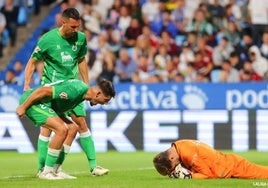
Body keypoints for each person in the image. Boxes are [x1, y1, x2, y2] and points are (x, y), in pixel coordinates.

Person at [22, 7, 108, 177]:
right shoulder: (47, 39)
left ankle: (88, 167)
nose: (77, 31)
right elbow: (32, 62)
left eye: (78, 27)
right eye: (73, 27)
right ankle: (42, 169)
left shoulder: (81, 39)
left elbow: (81, 60)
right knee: (49, 129)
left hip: (73, 89)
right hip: (52, 87)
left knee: (80, 125)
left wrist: (86, 84)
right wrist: (26, 85)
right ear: (63, 22)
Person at [16, 78, 116, 180]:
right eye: (105, 100)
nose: (104, 104)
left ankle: (56, 169)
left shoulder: (82, 94)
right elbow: (43, 91)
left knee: (72, 128)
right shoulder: (75, 90)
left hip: (47, 105)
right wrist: (23, 107)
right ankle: (46, 172)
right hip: (33, 102)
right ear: (98, 94)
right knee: (61, 129)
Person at [153, 139, 268, 179]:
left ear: (171, 158)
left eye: (173, 167)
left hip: (233, 167)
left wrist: (189, 176)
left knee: (264, 174)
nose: (176, 169)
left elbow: (207, 174)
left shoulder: (189, 154)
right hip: (227, 163)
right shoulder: (177, 145)